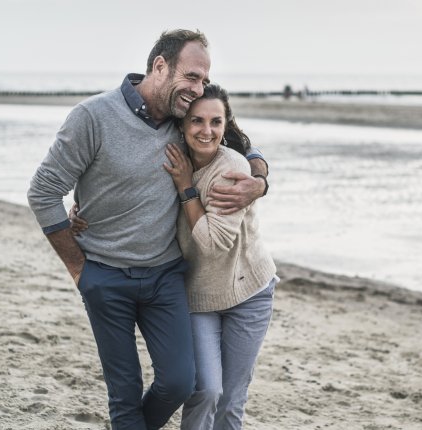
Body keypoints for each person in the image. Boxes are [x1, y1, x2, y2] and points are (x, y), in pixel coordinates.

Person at [26, 29, 269, 430]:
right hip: (104, 275)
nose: (198, 88)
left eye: (204, 80)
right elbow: (43, 191)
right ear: (160, 66)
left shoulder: (185, 118)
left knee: (180, 383)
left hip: (165, 277)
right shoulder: (93, 117)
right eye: (191, 76)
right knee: (124, 396)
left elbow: (239, 142)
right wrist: (77, 268)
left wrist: (260, 181)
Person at [71, 84, 276, 429]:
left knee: (231, 399)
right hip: (198, 292)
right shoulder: (169, 156)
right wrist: (82, 208)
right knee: (205, 390)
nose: (206, 130)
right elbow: (119, 181)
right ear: (181, 124)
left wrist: (253, 181)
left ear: (226, 126)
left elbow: (212, 242)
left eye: (216, 122)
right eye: (196, 121)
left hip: (248, 291)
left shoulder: (232, 169)